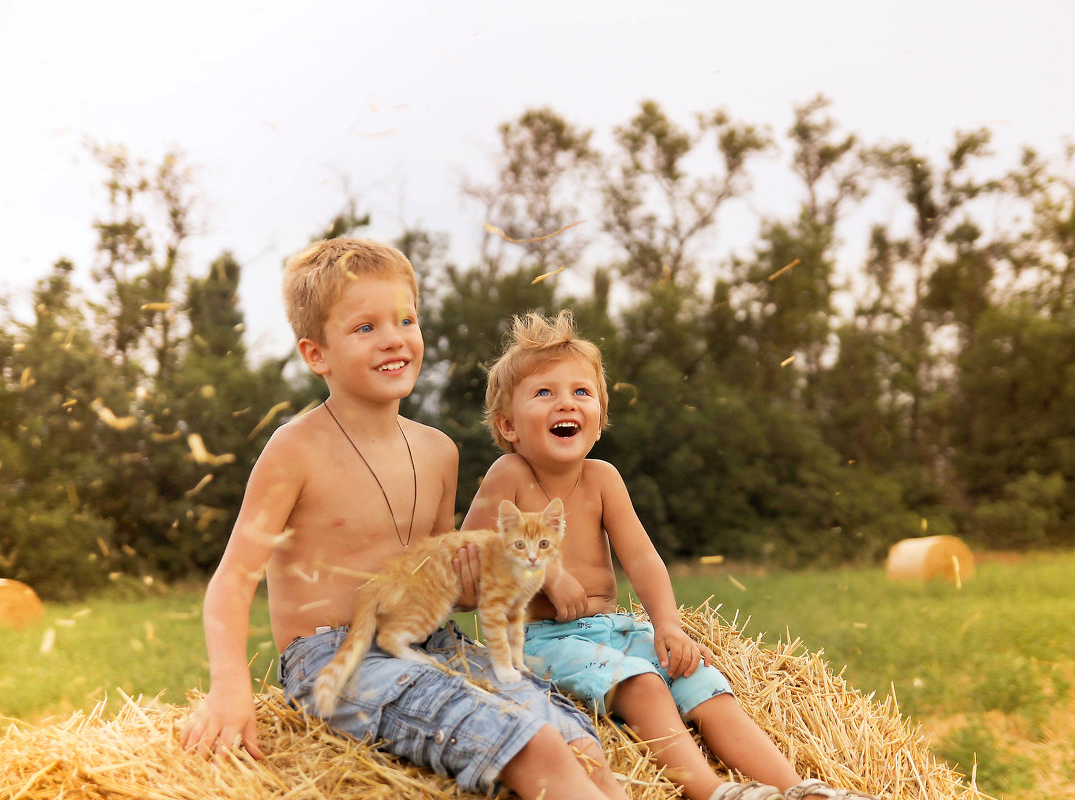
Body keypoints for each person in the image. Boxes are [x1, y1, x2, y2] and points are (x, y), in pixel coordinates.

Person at [180, 240, 627, 800]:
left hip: (433, 639)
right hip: (336, 655)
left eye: (405, 319)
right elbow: (233, 579)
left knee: (581, 745)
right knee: (530, 746)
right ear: (317, 354)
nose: (393, 337)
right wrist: (229, 688)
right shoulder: (295, 449)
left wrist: (476, 581)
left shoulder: (439, 451)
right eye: (365, 327)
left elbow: (448, 583)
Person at [460, 309, 874, 800]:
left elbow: (642, 559)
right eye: (544, 392)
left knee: (703, 682)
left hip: (610, 629)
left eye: (581, 392)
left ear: (597, 421)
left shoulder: (602, 478)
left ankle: (800, 788)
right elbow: (471, 552)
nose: (565, 403)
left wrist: (667, 624)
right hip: (538, 641)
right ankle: (711, 790)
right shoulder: (508, 473)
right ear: (508, 424)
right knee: (643, 684)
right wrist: (546, 574)